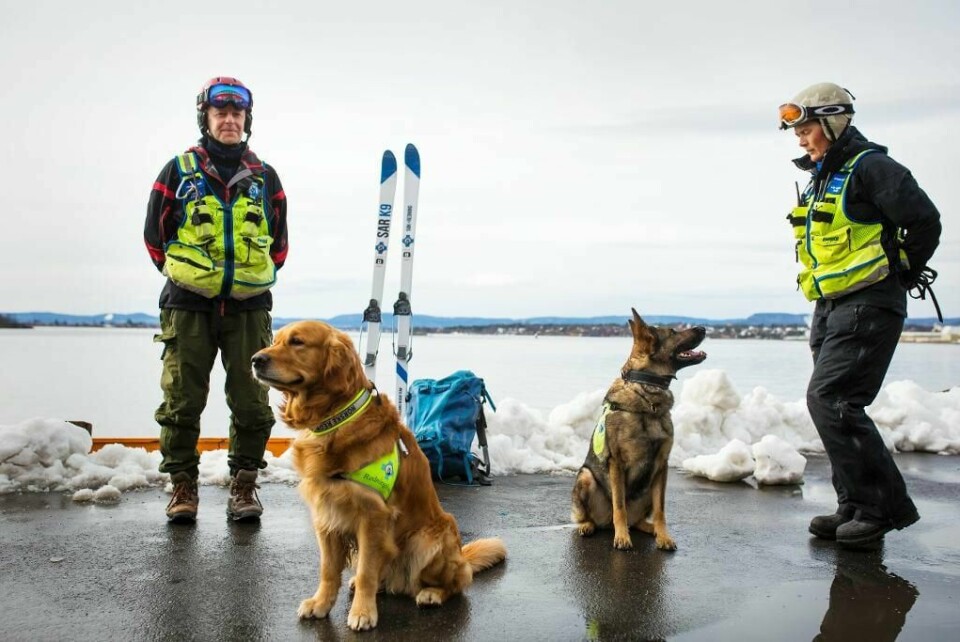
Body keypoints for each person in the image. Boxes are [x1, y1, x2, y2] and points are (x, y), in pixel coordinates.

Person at [779, 82, 941, 546]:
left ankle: (881, 509)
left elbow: (925, 220)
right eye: (797, 132)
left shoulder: (872, 167)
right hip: (830, 306)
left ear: (833, 122)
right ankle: (852, 504)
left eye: (807, 128)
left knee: (833, 400)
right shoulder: (824, 176)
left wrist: (903, 270)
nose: (801, 139)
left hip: (869, 303)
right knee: (832, 404)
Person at [144, 76, 289, 523]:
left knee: (251, 400)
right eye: (220, 112)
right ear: (206, 118)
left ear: (246, 120)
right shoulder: (178, 170)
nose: (229, 119)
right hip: (187, 307)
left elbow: (278, 245)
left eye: (237, 113)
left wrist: (242, 284)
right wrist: (195, 281)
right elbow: (156, 237)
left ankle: (244, 486)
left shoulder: (265, 177)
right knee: (182, 400)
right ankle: (182, 486)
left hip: (248, 311)